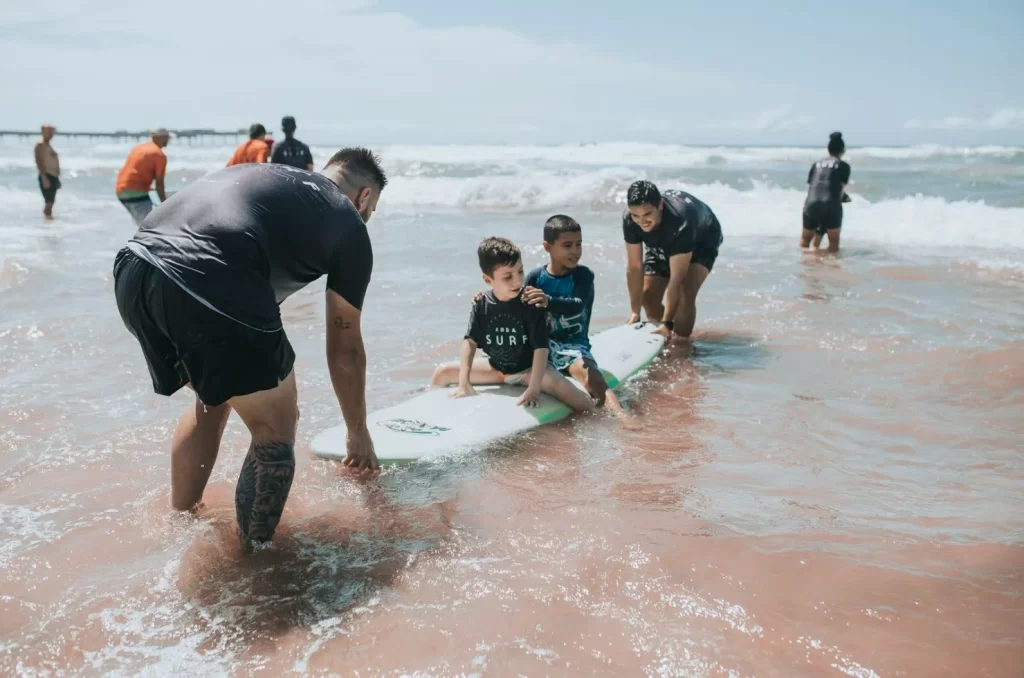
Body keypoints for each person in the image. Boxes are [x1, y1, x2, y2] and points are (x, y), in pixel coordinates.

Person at [112, 148, 388, 545]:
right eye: (372, 209)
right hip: (207, 277)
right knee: (276, 424)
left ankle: (181, 522)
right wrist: (357, 431)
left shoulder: (267, 177)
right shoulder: (347, 221)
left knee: (214, 397)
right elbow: (345, 345)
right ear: (363, 197)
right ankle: (251, 562)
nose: (367, 218)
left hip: (134, 271)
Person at [431, 237, 596, 413]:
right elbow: (469, 342)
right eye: (508, 276)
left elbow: (541, 349)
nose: (517, 281)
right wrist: (464, 383)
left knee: (572, 395)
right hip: (495, 369)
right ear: (488, 279)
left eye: (520, 272)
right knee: (442, 373)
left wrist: (534, 389)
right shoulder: (481, 304)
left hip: (529, 371)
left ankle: (598, 417)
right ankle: (429, 406)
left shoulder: (530, 302)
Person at [524, 215, 628, 417]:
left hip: (572, 347)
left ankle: (622, 417)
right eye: (567, 245)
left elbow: (577, 306)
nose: (575, 251)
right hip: (541, 346)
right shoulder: (535, 277)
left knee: (593, 379)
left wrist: (548, 301)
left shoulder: (583, 276)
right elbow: (519, 307)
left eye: (579, 244)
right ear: (547, 247)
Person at [623, 181, 724, 340]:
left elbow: (677, 278)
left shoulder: (681, 221)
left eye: (647, 214)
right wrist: (635, 312)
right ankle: (663, 336)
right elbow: (634, 267)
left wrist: (667, 322)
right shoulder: (630, 219)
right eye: (636, 215)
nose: (642, 221)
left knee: (685, 292)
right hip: (664, 236)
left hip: (702, 238)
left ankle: (682, 343)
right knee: (647, 295)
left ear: (660, 205)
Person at [801, 131, 851, 254]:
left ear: (828, 150)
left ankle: (802, 265)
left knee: (805, 240)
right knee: (833, 244)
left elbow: (812, 186)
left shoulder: (816, 164)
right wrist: (844, 198)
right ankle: (831, 269)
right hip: (831, 204)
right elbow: (840, 189)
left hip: (811, 203)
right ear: (842, 151)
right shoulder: (843, 165)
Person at [115, 128, 170, 227]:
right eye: (167, 137)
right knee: (149, 227)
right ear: (160, 138)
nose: (168, 140)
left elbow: (135, 171)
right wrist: (165, 205)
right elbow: (159, 183)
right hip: (136, 193)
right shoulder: (159, 155)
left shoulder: (138, 148)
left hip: (121, 191)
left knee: (141, 224)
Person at [34, 124, 60, 220]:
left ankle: (47, 221)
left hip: (53, 176)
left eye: (51, 133)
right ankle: (47, 219)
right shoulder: (40, 146)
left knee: (51, 201)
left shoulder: (49, 146)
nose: (51, 135)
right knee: (49, 201)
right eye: (48, 132)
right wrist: (44, 177)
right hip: (46, 176)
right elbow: (39, 161)